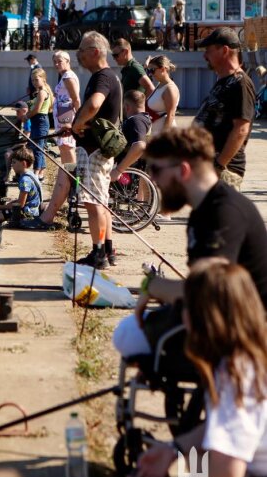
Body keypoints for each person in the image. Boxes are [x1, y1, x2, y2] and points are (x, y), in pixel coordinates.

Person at [112, 127, 267, 359]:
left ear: (183, 170)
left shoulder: (224, 212)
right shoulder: (203, 209)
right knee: (131, 332)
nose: (152, 179)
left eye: (155, 169)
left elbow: (211, 291)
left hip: (242, 338)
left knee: (128, 334)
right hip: (220, 321)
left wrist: (153, 287)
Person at [122, 259, 267, 477]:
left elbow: (227, 474)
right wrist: (173, 449)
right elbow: (220, 428)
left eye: (185, 306)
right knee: (202, 458)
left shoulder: (238, 372)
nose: (181, 314)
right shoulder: (242, 356)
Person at [23, 31, 122, 271]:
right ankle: (107, 250)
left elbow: (95, 104)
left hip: (94, 151)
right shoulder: (108, 77)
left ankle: (98, 254)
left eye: (82, 50)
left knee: (93, 202)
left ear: (96, 52)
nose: (79, 55)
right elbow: (99, 113)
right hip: (95, 147)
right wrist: (76, 127)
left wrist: (77, 124)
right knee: (102, 200)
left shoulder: (103, 77)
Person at [193, 27, 256, 191]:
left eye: (208, 50)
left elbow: (241, 129)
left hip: (224, 170)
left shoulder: (240, 83)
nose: (204, 56)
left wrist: (219, 165)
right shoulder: (224, 81)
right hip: (210, 166)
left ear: (224, 50)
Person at [0, 146, 42, 273]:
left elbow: (21, 204)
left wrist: (1, 207)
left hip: (27, 213)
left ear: (23, 163)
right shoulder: (31, 175)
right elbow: (21, 200)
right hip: (31, 210)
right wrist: (8, 204)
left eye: (14, 163)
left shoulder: (25, 180)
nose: (12, 166)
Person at [110, 90, 151, 183]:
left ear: (126, 107)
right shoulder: (145, 118)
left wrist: (118, 170)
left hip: (127, 169)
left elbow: (139, 146)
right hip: (134, 166)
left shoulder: (136, 120)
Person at [52, 50, 81, 165]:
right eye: (54, 62)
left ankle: (72, 176)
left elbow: (76, 99)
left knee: (67, 146)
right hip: (62, 116)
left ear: (67, 61)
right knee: (63, 147)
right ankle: (66, 174)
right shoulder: (64, 76)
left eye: (59, 61)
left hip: (66, 116)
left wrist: (79, 119)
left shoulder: (68, 76)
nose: (56, 64)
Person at [25, 68, 52, 181]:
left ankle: (35, 174)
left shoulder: (42, 92)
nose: (34, 82)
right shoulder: (41, 91)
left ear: (43, 79)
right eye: (32, 80)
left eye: (36, 80)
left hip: (40, 121)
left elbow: (36, 110)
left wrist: (26, 117)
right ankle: (41, 172)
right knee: (38, 147)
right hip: (38, 122)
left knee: (37, 148)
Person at [145, 55, 180, 136]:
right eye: (149, 70)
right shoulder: (160, 85)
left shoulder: (170, 89)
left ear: (163, 69)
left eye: (152, 70)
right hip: (156, 134)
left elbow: (170, 115)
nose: (150, 73)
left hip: (165, 136)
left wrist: (163, 138)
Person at [3, 101, 32, 180]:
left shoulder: (27, 122)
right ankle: (13, 174)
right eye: (16, 111)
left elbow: (25, 141)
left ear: (24, 111)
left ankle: (7, 175)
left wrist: (12, 149)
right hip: (19, 145)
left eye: (18, 111)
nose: (16, 113)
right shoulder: (20, 121)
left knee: (8, 154)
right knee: (8, 152)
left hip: (25, 147)